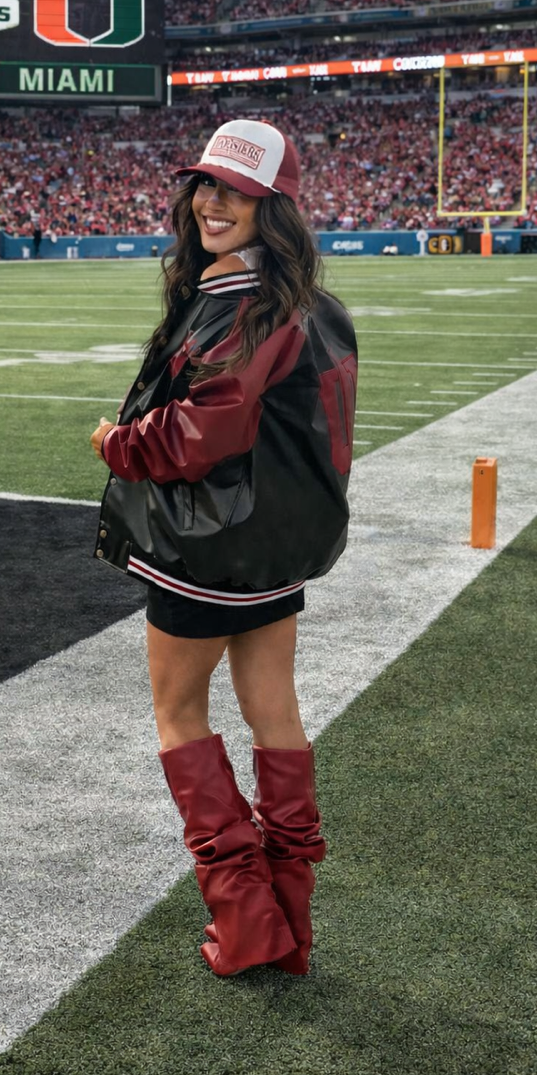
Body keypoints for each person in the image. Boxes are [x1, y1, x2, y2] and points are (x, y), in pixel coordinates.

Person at [90, 119, 357, 978]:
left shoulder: (237, 303)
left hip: (203, 554)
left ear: (272, 207)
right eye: (205, 185)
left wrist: (116, 444)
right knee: (274, 715)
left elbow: (200, 433)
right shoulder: (313, 304)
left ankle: (244, 922)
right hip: (275, 553)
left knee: (179, 718)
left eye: (234, 190)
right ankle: (288, 920)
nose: (212, 201)